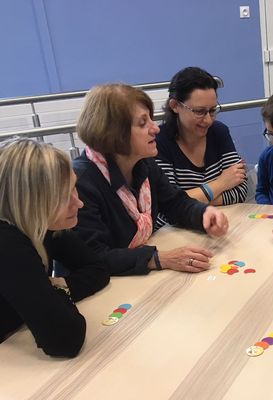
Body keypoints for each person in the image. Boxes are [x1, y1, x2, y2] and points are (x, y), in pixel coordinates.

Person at [73, 83, 228, 276]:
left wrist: (203, 214)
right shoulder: (81, 181)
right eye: (142, 123)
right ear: (113, 133)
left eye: (151, 120)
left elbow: (174, 203)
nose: (155, 129)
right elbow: (94, 256)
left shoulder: (144, 164)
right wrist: (158, 258)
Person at [0, 138, 109, 357]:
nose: (78, 203)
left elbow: (97, 268)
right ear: (28, 201)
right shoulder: (8, 243)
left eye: (73, 188)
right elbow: (65, 340)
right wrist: (52, 293)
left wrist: (56, 289)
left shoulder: (41, 224)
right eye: (61, 197)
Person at [155, 66, 247, 221]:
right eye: (199, 111)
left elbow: (240, 191)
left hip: (218, 224)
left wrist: (189, 203)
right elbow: (165, 210)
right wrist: (221, 183)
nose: (208, 120)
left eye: (212, 110)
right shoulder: (159, 142)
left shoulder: (219, 132)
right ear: (175, 106)